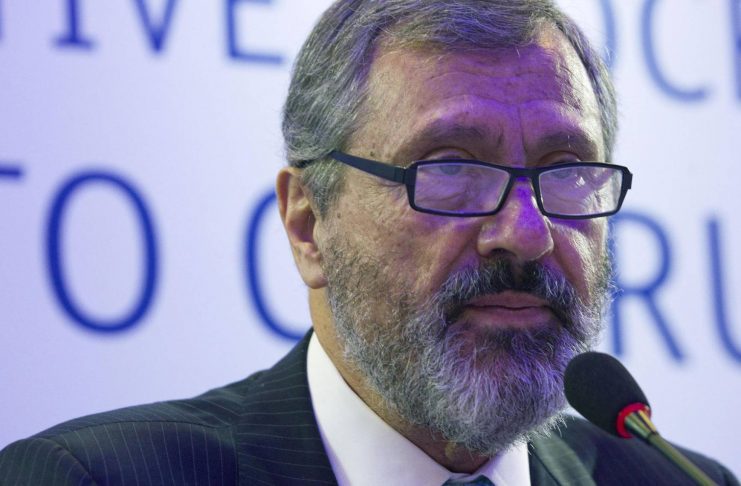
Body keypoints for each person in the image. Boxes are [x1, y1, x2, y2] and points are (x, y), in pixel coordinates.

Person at [0, 0, 738, 484]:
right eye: (451, 170)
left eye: (566, 171)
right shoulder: (90, 478)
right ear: (308, 224)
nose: (525, 233)